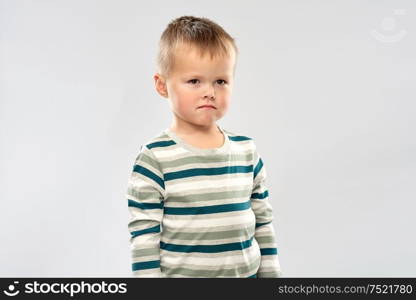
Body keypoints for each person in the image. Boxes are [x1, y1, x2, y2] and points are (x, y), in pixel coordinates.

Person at [126, 15, 282, 278]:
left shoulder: (246, 151)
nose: (209, 91)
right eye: (194, 81)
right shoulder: (155, 158)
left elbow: (263, 224)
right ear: (162, 85)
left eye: (220, 81)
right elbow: (144, 238)